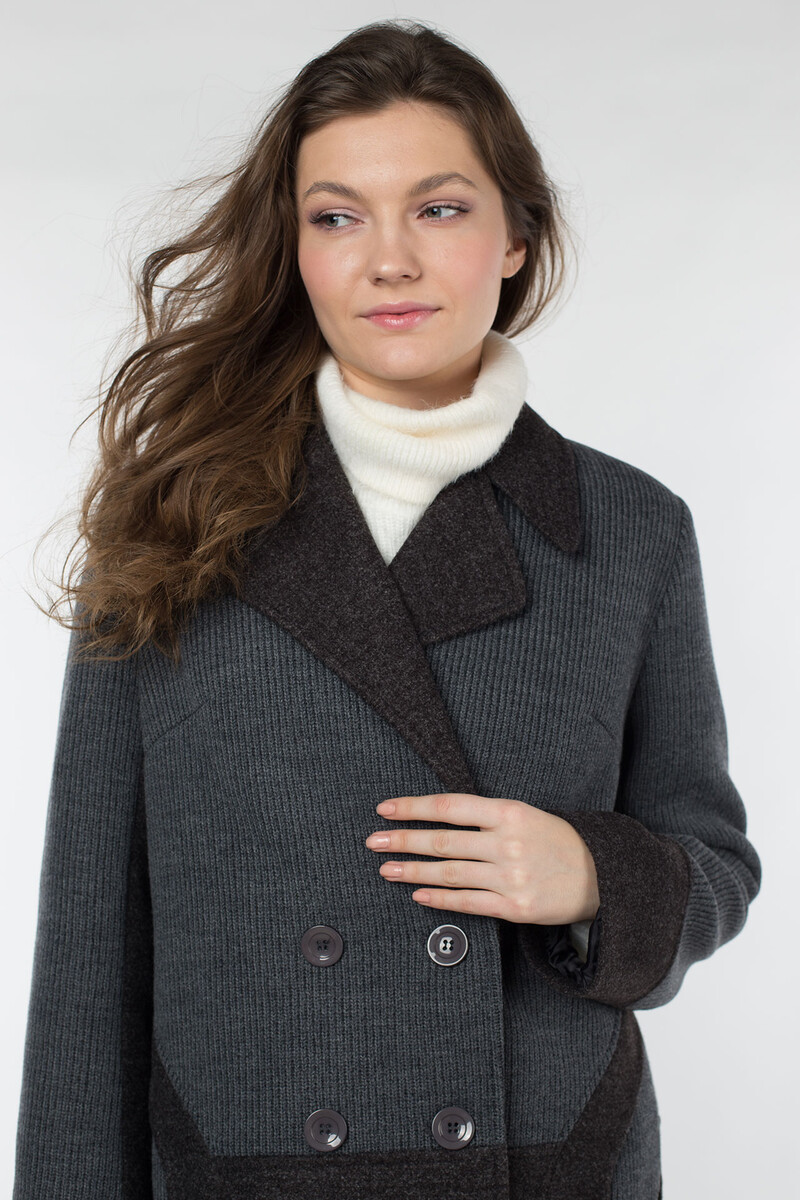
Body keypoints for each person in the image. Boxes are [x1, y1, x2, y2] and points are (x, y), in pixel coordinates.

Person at [12, 18, 762, 1200]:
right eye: (336, 217)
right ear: (294, 248)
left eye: (439, 208)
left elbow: (712, 859)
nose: (388, 261)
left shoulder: (628, 530)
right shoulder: (171, 515)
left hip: (542, 1163)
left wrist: (590, 876)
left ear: (515, 235)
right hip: (241, 1167)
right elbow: (89, 942)